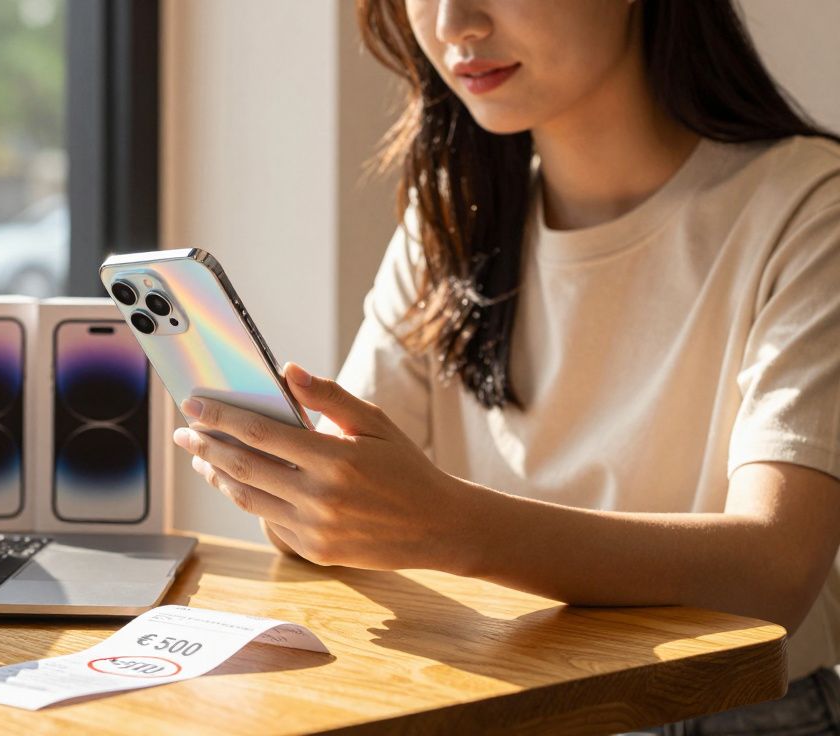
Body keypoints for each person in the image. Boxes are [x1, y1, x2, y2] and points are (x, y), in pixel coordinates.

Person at [170, 0, 840, 731]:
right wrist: (297, 495)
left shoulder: (808, 209)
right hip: (494, 693)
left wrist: (447, 528)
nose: (455, 23)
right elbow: (352, 514)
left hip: (725, 712)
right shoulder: (453, 217)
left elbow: (775, 570)